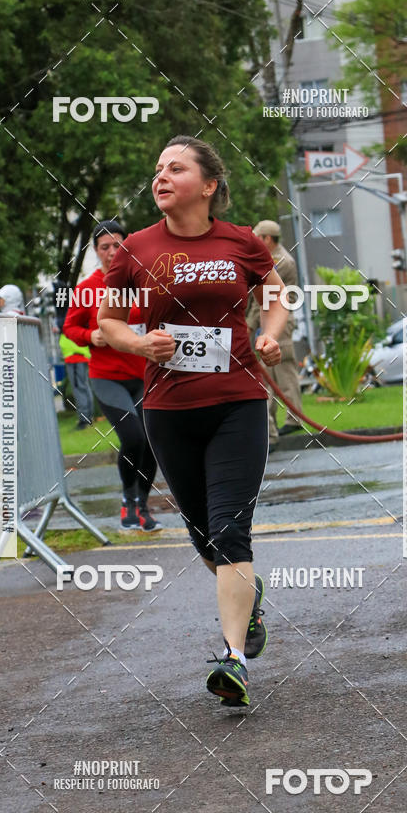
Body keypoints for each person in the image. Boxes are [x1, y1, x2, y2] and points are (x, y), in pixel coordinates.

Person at [97, 135, 288, 707]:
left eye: (175, 168)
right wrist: (139, 342)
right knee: (205, 535)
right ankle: (248, 604)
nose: (161, 176)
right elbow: (106, 322)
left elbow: (278, 295)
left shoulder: (241, 242)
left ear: (207, 186)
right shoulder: (135, 248)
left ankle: (233, 662)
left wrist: (269, 336)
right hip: (168, 409)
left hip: (238, 401)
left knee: (231, 528)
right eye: (157, 168)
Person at [63, 220, 162, 532]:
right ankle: (127, 498)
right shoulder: (87, 288)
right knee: (133, 437)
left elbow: (159, 317)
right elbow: (70, 327)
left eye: (117, 245)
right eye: (104, 247)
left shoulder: (142, 282)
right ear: (96, 251)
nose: (111, 251)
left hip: (144, 374)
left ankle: (143, 505)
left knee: (152, 442)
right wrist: (91, 335)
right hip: (107, 377)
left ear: (126, 247)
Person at [246, 220, 304, 450]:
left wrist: (249, 324)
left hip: (278, 323)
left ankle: (291, 420)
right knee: (270, 375)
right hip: (269, 321)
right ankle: (271, 427)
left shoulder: (279, 262)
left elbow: (265, 297)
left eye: (257, 238)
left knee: (283, 372)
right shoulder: (276, 259)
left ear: (267, 239)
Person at [58, 333, 94, 429]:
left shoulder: (67, 321)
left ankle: (84, 420)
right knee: (84, 387)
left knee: (79, 389)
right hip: (80, 355)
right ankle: (88, 418)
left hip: (74, 356)